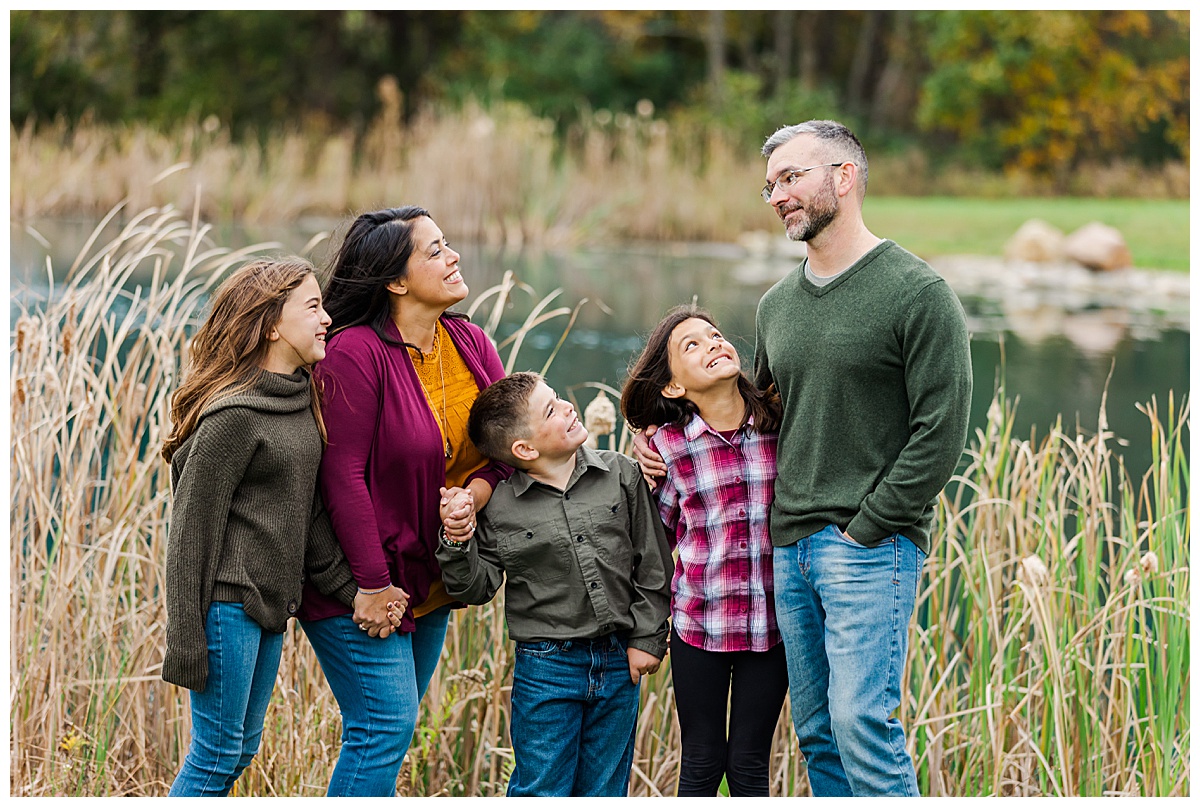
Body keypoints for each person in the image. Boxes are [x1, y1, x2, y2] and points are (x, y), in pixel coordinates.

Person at [634, 120, 972, 797]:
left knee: (860, 720)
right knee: (817, 729)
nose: (776, 194)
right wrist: (653, 436)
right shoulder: (777, 305)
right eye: (770, 185)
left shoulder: (917, 292)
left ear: (843, 178)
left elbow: (942, 430)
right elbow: (758, 410)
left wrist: (870, 523)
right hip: (786, 550)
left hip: (868, 548)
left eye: (790, 177)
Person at [295, 206, 509, 797]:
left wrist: (473, 494)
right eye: (435, 250)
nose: (453, 256)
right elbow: (341, 475)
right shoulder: (354, 352)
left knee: (388, 727)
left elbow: (507, 448)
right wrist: (370, 582)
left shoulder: (468, 342)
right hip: (359, 582)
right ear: (395, 280)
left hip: (432, 578)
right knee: (384, 725)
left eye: (448, 244)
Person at [161, 258, 363, 796]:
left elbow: (309, 518)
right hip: (226, 608)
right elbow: (189, 533)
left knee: (240, 750)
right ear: (273, 322)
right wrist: (184, 635)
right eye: (313, 307)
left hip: (270, 608)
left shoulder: (300, 398)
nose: (327, 320)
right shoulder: (233, 415)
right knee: (216, 754)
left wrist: (353, 590)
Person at [435, 371, 672, 797]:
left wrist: (648, 638)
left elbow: (652, 564)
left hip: (619, 660)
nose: (567, 406)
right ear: (524, 448)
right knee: (543, 789)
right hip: (547, 667)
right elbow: (476, 588)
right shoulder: (501, 506)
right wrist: (456, 539)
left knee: (604, 790)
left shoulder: (621, 474)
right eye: (551, 408)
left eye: (559, 397)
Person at [620, 305, 789, 797]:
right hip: (699, 627)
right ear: (673, 387)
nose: (713, 343)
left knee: (750, 765)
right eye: (691, 345)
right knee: (701, 761)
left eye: (714, 335)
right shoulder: (669, 448)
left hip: (770, 629)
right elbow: (657, 543)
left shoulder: (781, 424)